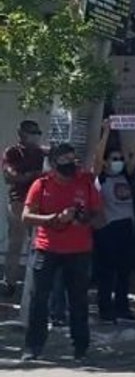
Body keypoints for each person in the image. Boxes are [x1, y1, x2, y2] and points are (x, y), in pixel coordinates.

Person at [20, 143, 103, 362]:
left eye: (73, 159)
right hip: (46, 249)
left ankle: (81, 347)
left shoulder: (85, 182)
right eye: (65, 160)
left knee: (78, 300)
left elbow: (100, 218)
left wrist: (84, 219)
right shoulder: (42, 184)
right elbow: (26, 216)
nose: (71, 164)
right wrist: (54, 219)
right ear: (54, 162)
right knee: (39, 299)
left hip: (79, 250)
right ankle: (33, 346)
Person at [91, 119, 135, 323]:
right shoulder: (100, 179)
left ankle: (122, 307)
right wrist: (105, 132)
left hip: (126, 230)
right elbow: (96, 159)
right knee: (106, 273)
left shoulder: (126, 177)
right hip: (107, 230)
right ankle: (105, 309)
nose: (118, 161)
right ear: (106, 161)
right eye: (114, 158)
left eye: (120, 158)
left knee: (124, 273)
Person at [3, 120, 46, 297]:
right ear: (22, 134)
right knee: (17, 241)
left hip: (40, 201)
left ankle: (35, 279)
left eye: (37, 132)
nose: (36, 136)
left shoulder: (42, 153)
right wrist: (33, 175)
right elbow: (11, 176)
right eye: (32, 132)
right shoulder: (13, 152)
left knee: (37, 242)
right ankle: (10, 281)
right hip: (19, 201)